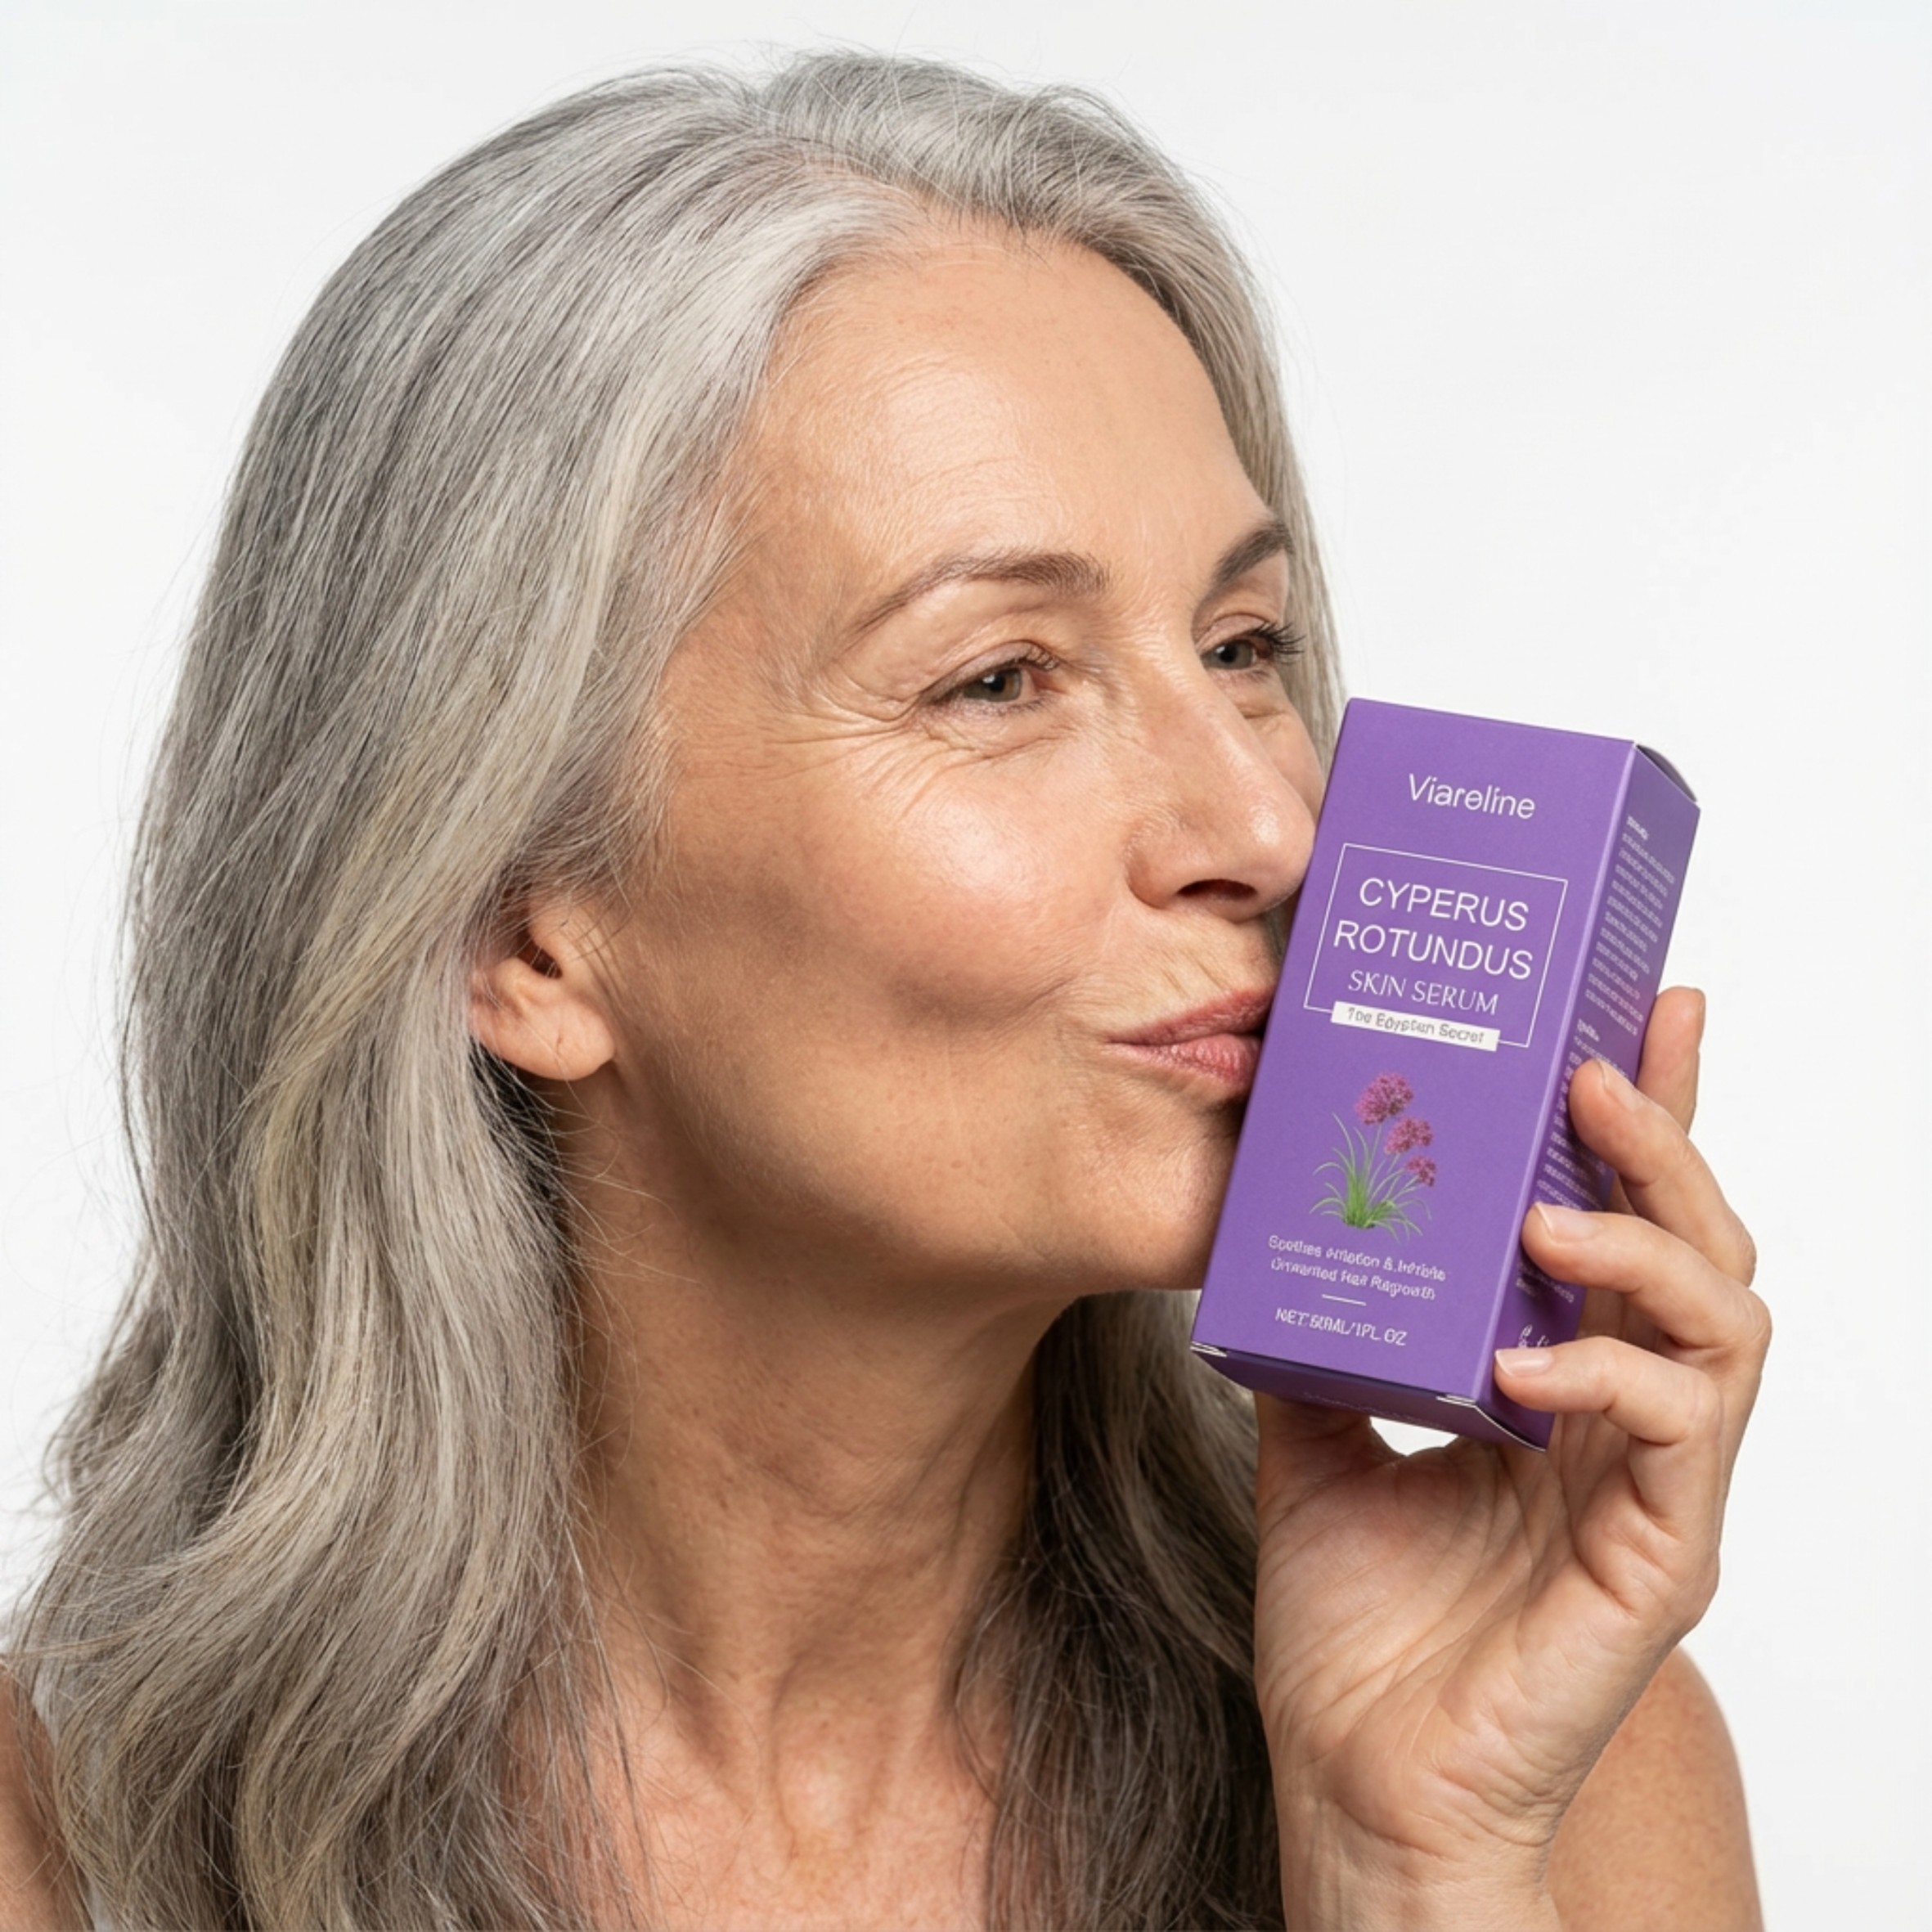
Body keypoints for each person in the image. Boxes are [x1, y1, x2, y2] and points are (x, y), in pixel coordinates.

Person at [0, 50, 1767, 1930]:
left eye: (1242, 643)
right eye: (999, 679)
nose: (1269, 819)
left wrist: (1413, 1863)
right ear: (516, 929)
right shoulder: (59, 1846)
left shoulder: (1560, 1777)